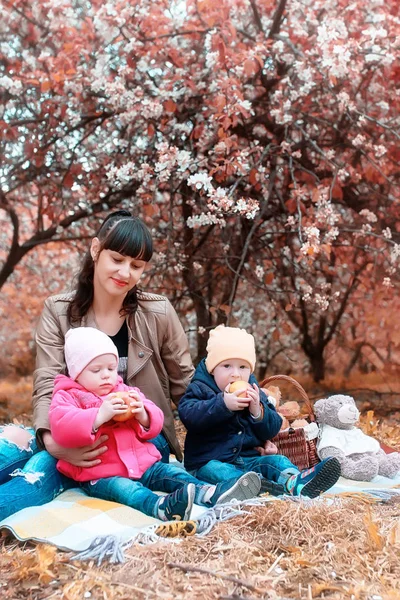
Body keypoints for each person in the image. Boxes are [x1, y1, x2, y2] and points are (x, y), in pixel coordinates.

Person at [0, 211, 197, 519]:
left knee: (36, 477)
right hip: (76, 431)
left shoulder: (157, 312)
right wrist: (55, 445)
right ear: (95, 251)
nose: (125, 272)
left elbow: (187, 388)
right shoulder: (59, 310)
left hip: (140, 437)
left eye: (136, 265)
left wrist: (238, 428)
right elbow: (47, 386)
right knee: (12, 449)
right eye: (117, 259)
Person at [49, 327, 261, 520]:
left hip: (143, 464)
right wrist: (98, 416)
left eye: (111, 368)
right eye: (96, 370)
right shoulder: (68, 396)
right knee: (128, 491)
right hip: (103, 473)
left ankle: (210, 493)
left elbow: (156, 420)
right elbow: (61, 428)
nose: (106, 375)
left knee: (174, 474)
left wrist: (143, 414)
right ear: (76, 373)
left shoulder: (124, 391)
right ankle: (161, 507)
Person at [178, 325, 341, 499]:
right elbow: (189, 416)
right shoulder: (201, 388)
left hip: (249, 460)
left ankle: (295, 481)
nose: (236, 375)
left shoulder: (253, 390)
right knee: (218, 471)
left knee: (275, 461)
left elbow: (272, 428)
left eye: (242, 367)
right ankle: (259, 487)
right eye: (226, 366)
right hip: (208, 461)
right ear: (212, 368)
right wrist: (222, 404)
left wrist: (258, 412)